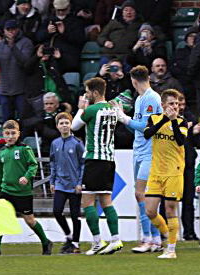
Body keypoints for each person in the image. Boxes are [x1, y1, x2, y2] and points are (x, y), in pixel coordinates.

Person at [0, 120, 53, 256]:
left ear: (18, 134)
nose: (10, 136)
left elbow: (33, 165)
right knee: (1, 218)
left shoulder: (24, 149)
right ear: (3, 134)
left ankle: (46, 242)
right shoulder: (2, 151)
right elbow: (0, 172)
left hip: (22, 192)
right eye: (7, 133)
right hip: (6, 190)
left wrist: (27, 177)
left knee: (29, 220)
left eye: (13, 133)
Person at [71, 77, 123, 255]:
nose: (86, 95)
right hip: (109, 159)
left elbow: (74, 126)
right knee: (106, 200)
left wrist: (80, 108)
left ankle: (97, 241)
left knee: (87, 202)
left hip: (94, 159)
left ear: (94, 92)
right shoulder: (112, 109)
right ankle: (115, 239)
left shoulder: (92, 109)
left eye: (87, 92)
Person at [115, 65, 163, 253]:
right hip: (138, 151)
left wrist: (124, 118)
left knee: (142, 194)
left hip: (150, 152)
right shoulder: (140, 100)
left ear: (134, 81)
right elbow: (135, 128)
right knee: (143, 195)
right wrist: (123, 118)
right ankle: (155, 239)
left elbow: (146, 127)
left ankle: (148, 238)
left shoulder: (152, 98)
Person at [143, 89, 188, 259]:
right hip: (156, 171)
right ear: (162, 105)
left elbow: (180, 140)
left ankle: (171, 249)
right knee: (150, 211)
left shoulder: (182, 122)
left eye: (177, 104)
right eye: (171, 103)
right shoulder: (154, 118)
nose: (175, 107)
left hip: (174, 171)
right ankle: (168, 235)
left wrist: (173, 121)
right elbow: (147, 134)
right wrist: (164, 119)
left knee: (170, 210)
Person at [50, 112, 84, 254]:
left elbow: (83, 164)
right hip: (60, 184)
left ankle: (75, 243)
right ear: (57, 126)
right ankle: (69, 236)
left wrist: (79, 183)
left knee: (75, 215)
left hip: (74, 185)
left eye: (66, 123)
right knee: (57, 211)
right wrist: (52, 181)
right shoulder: (55, 143)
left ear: (71, 125)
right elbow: (53, 163)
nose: (64, 126)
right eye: (61, 123)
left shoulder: (77, 143)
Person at [0, 19, 33, 121]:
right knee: (7, 122)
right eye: (8, 29)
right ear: (4, 31)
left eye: (13, 29)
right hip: (4, 90)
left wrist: (12, 46)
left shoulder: (26, 42)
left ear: (18, 29)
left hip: (21, 89)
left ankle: (23, 137)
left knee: (24, 120)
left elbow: (25, 63)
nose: (11, 31)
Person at [178, 94, 200, 241]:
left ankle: (189, 232)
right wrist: (189, 130)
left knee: (188, 201)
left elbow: (197, 142)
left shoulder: (191, 117)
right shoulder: (166, 118)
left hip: (188, 163)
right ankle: (164, 232)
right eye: (178, 104)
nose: (181, 107)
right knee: (167, 200)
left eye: (183, 103)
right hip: (172, 164)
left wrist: (197, 133)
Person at [36, 0, 86, 73]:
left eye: (63, 10)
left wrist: (64, 33)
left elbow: (80, 40)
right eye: (58, 10)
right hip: (49, 58)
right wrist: (47, 32)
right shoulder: (48, 20)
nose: (61, 12)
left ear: (69, 8)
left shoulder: (76, 21)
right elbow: (38, 38)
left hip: (68, 59)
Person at [170, 27, 198, 109]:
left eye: (195, 36)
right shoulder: (179, 52)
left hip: (198, 84)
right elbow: (172, 68)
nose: (193, 38)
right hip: (182, 84)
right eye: (191, 36)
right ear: (186, 39)